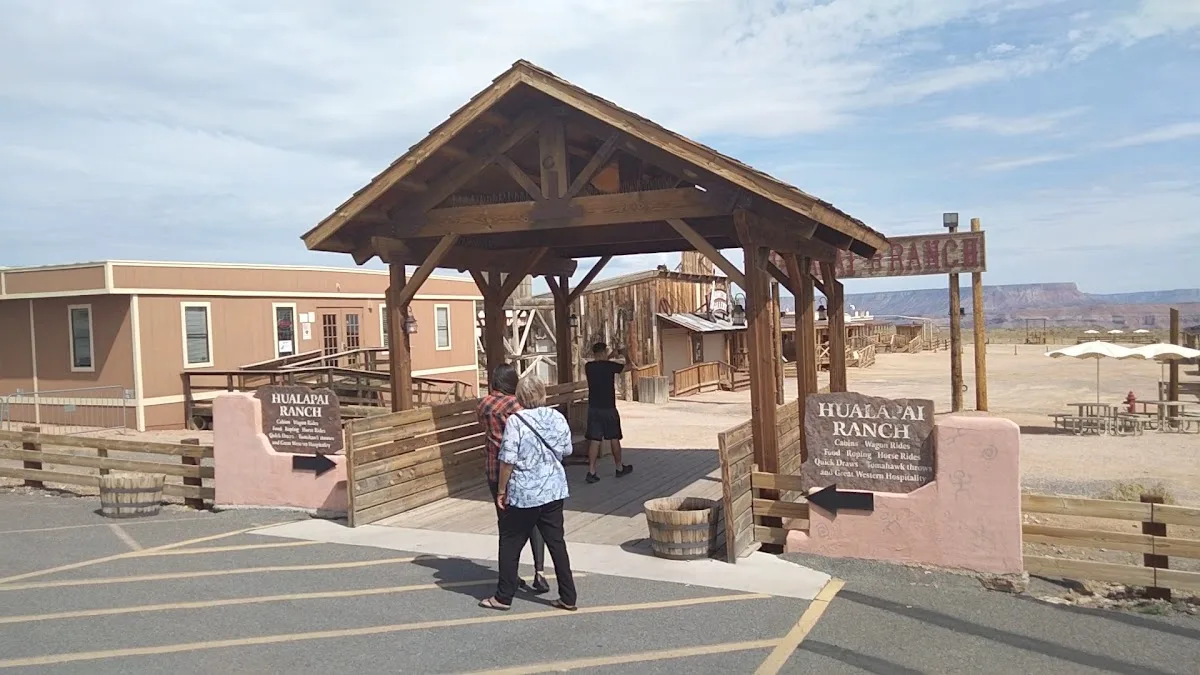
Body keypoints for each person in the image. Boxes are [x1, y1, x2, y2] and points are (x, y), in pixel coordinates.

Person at [480, 375, 578, 612]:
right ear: (543, 394)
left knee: (510, 542)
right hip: (553, 489)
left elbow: (508, 459)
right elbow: (567, 449)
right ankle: (568, 596)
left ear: (520, 397)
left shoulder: (516, 421)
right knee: (556, 543)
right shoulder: (557, 417)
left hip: (525, 493)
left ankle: (503, 596)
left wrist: (501, 490)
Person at [476, 363, 548, 594]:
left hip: (494, 469)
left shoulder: (484, 404)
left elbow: (483, 426)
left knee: (506, 526)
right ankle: (539, 572)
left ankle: (511, 574)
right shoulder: (518, 405)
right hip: (521, 470)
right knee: (535, 520)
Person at [583, 342, 634, 484]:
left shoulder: (589, 367)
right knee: (614, 437)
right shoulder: (610, 366)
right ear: (604, 352)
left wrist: (611, 355)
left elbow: (602, 361)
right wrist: (625, 354)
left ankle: (591, 471)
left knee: (595, 439)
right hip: (608, 408)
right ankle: (619, 467)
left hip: (594, 408)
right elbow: (630, 367)